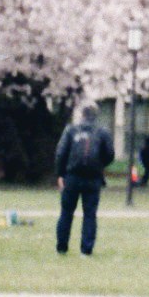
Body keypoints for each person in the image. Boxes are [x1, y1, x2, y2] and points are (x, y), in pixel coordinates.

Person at [53, 103, 114, 256]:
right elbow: (110, 154)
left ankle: (62, 247)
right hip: (93, 178)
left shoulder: (71, 130)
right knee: (90, 214)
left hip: (72, 176)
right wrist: (100, 165)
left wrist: (60, 174)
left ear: (82, 115)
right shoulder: (102, 132)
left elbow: (61, 153)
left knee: (66, 212)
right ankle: (86, 249)